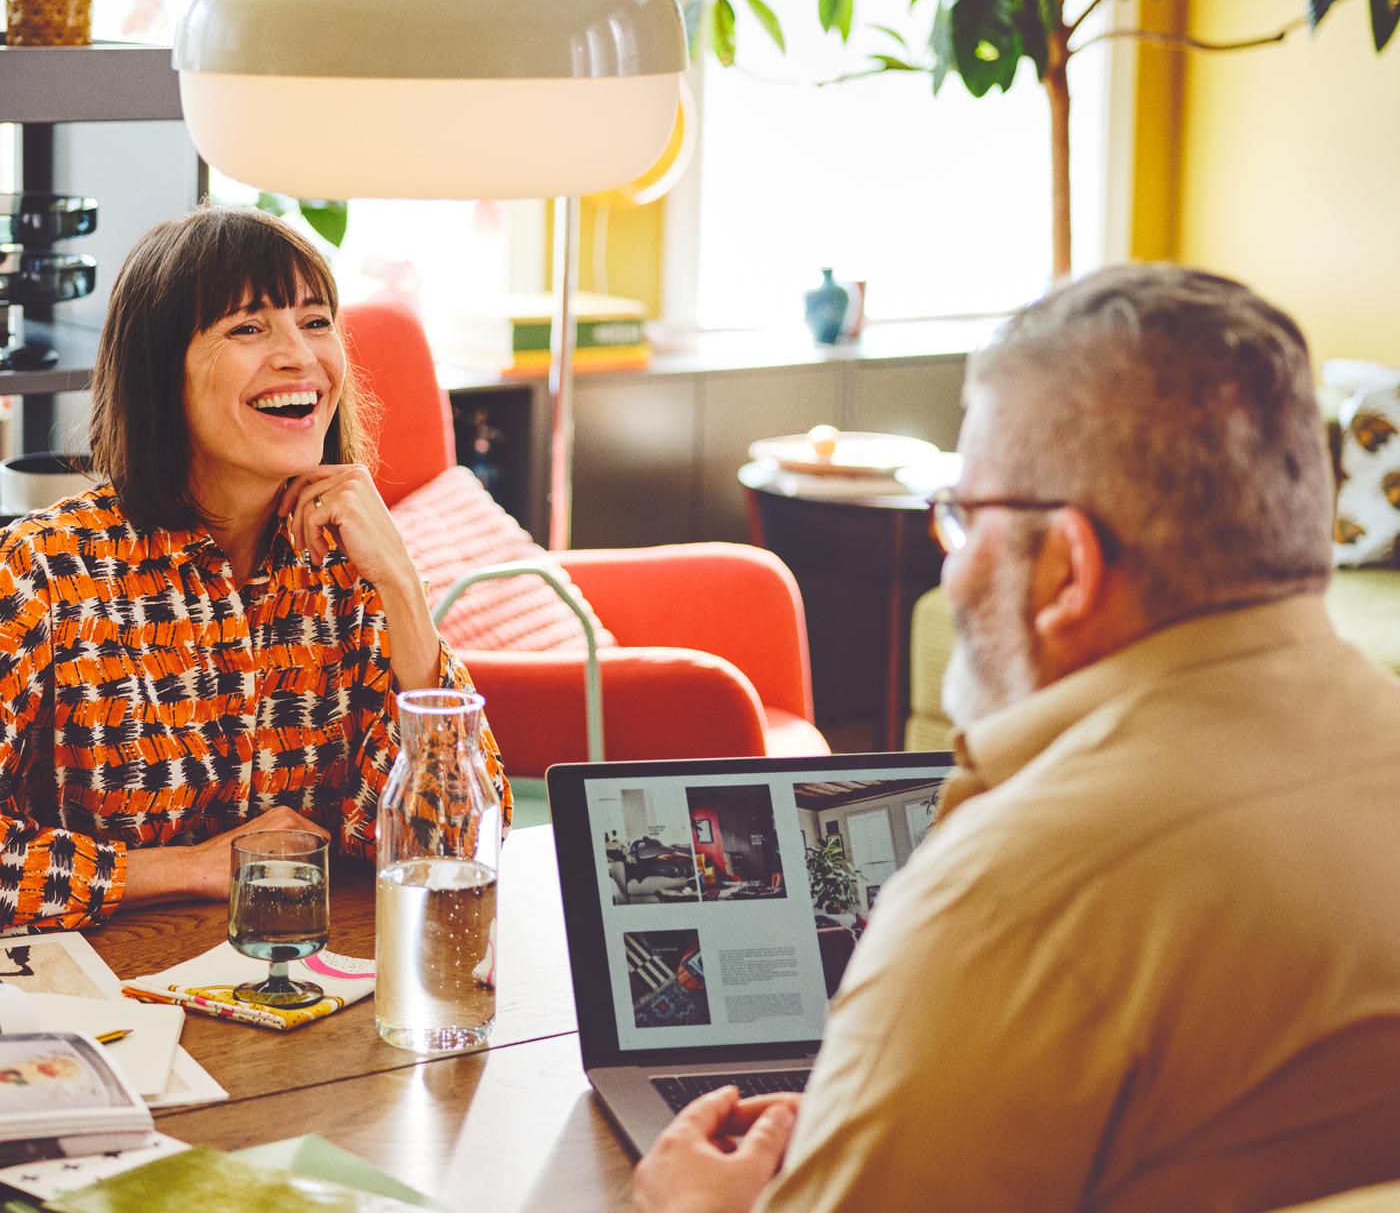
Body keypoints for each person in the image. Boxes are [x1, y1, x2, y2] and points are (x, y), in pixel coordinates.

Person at [634, 265, 1400, 1212]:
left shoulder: (1012, 900)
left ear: (1069, 570)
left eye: (962, 516)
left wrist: (692, 1207)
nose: (950, 567)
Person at [0, 206, 511, 934]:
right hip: (107, 1015)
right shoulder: (44, 573)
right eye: (247, 328)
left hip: (312, 1002)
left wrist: (402, 585)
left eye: (315, 321)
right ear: (158, 369)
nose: (299, 356)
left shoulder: (350, 570)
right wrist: (194, 866)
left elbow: (454, 845)